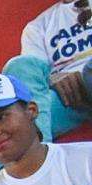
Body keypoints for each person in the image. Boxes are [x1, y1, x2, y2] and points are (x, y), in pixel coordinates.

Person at [6, 0, 92, 145]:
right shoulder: (37, 28)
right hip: (68, 97)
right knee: (18, 66)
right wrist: (50, 79)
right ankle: (37, 161)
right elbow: (33, 75)